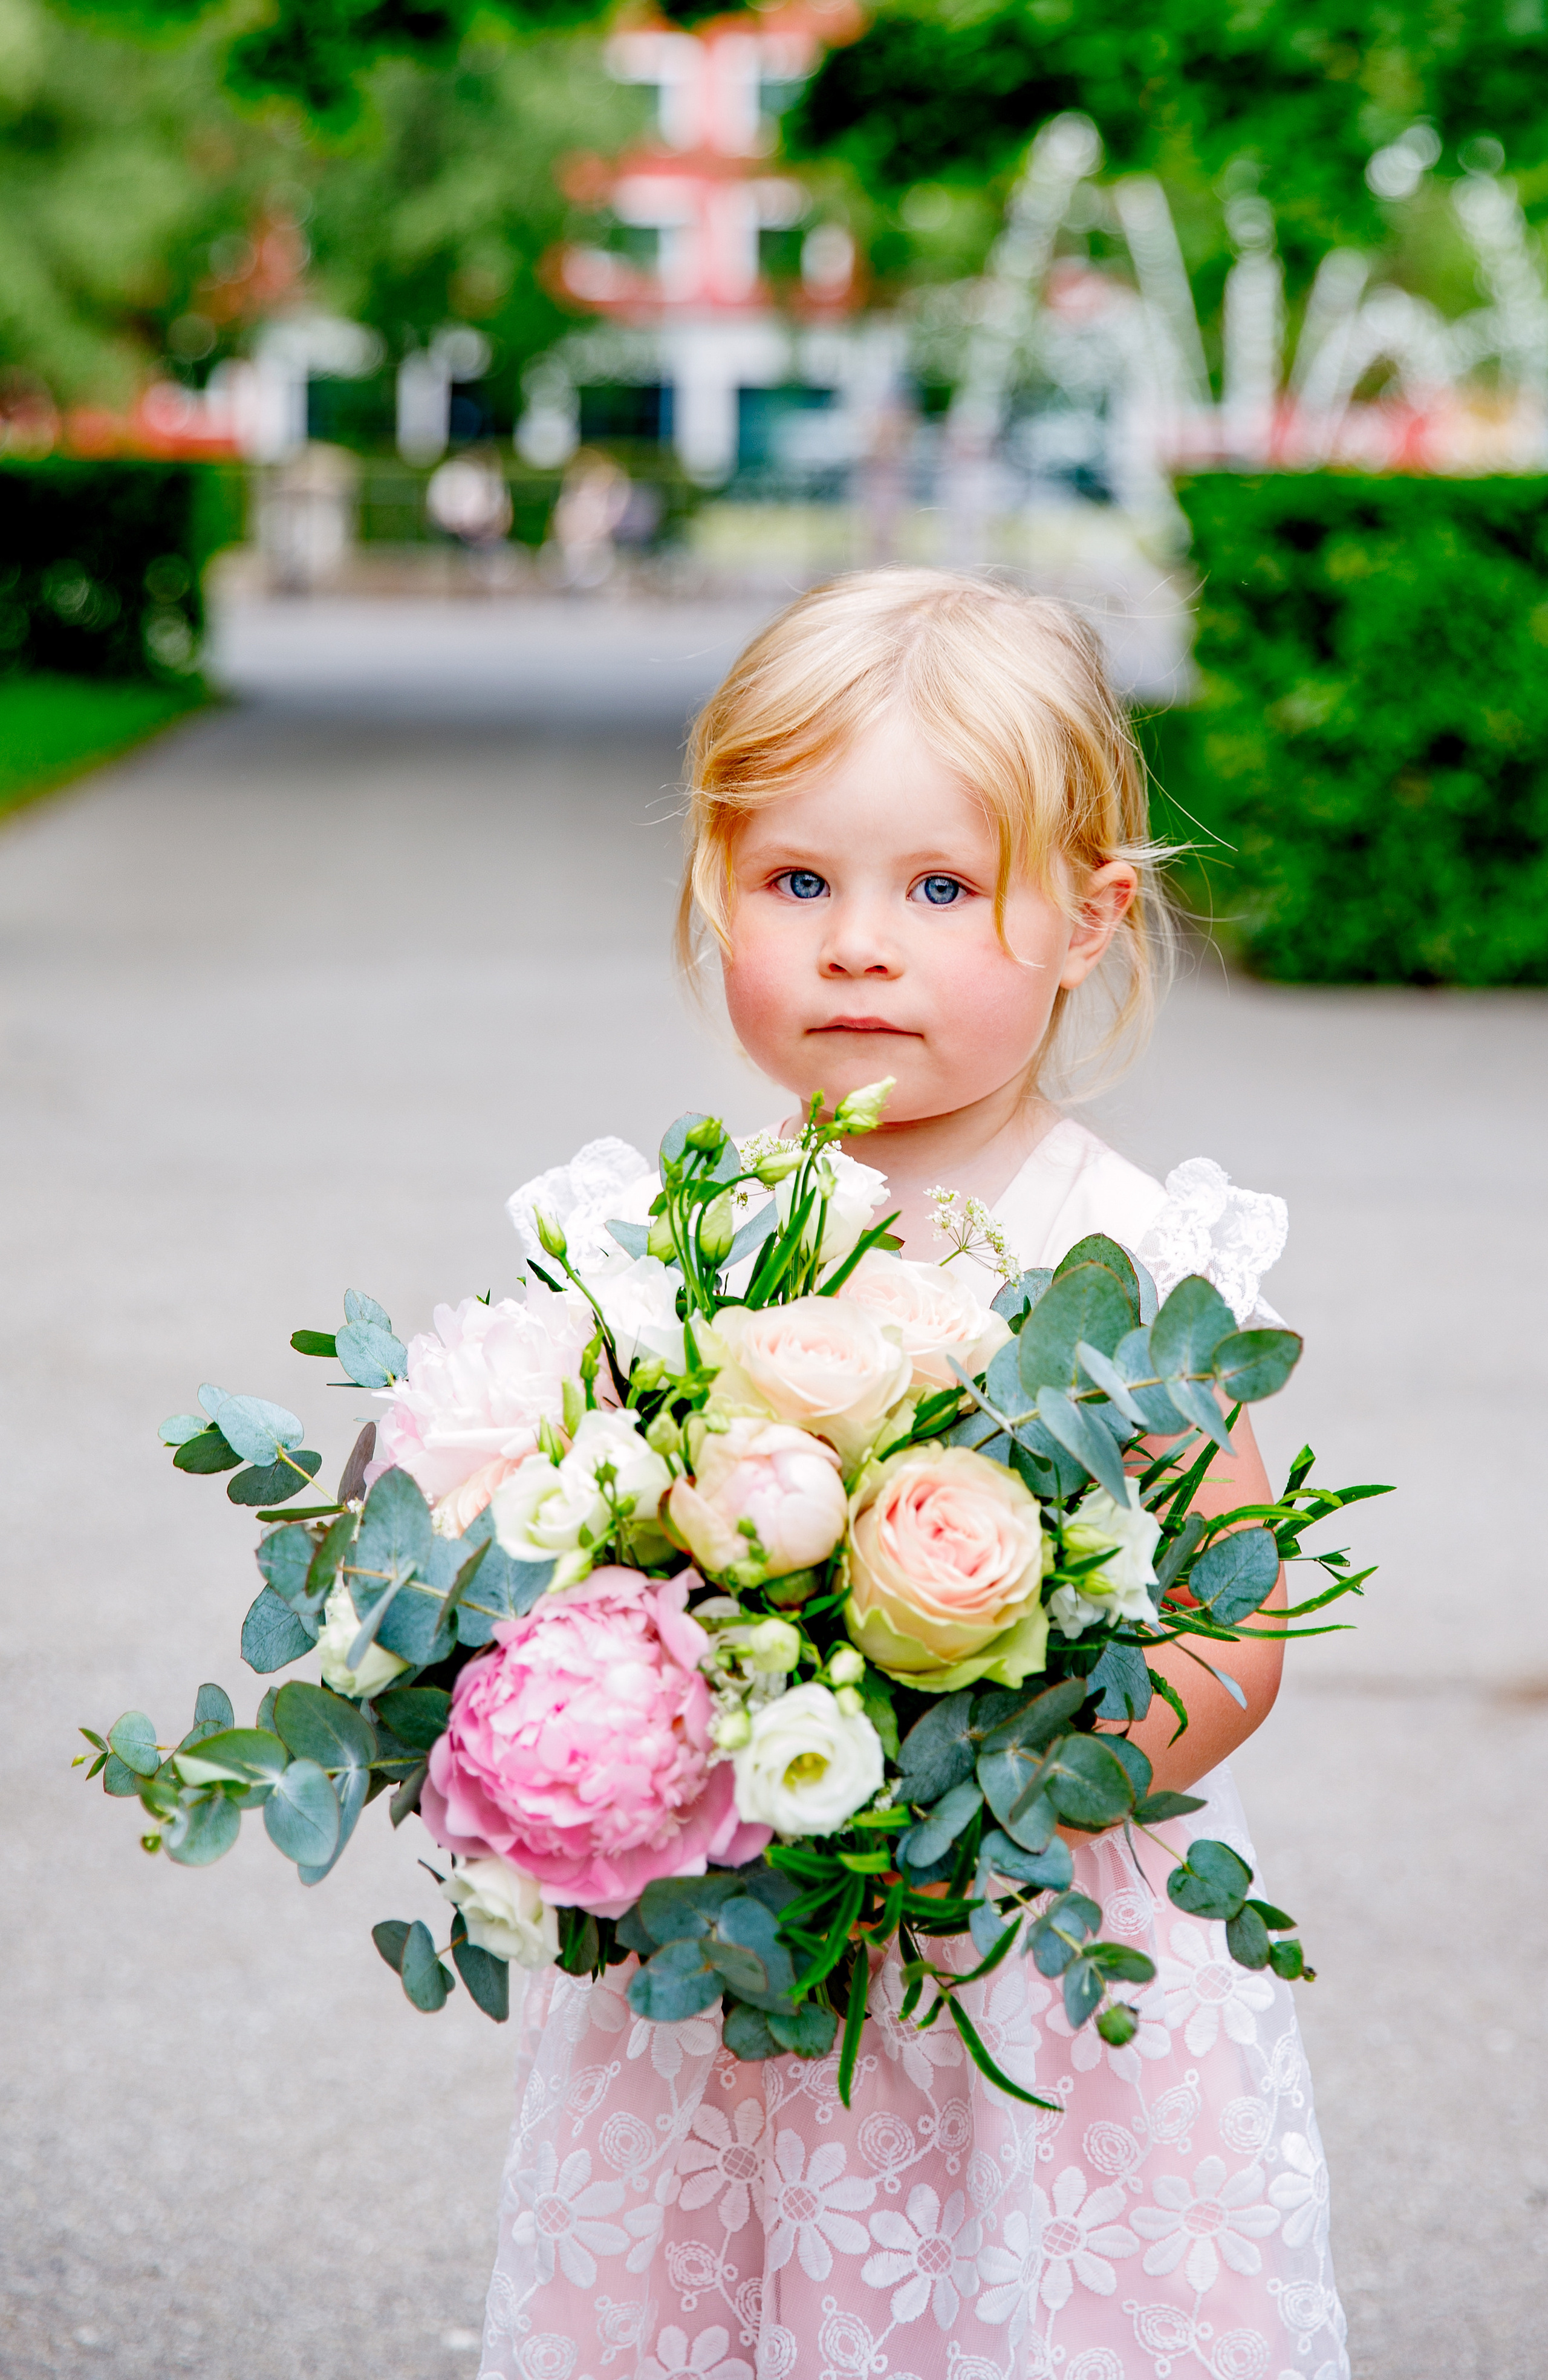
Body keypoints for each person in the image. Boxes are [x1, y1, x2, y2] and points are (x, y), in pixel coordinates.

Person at [476, 570, 1345, 2380]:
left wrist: (972, 1801)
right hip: (743, 1934)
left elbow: (1235, 1629)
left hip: (1023, 1947)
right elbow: (573, 1547)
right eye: (798, 882)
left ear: (1088, 917)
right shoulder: (684, 1239)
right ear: (716, 886)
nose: (859, 945)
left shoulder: (1126, 1262)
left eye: (942, 889)